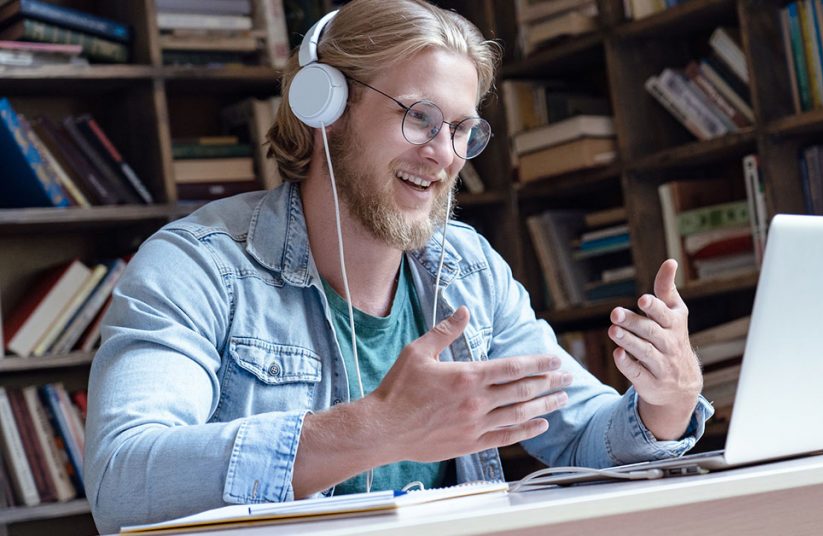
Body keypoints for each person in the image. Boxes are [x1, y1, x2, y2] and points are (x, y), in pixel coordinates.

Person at [84, 0, 712, 532]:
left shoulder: (468, 269)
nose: (444, 155)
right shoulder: (197, 267)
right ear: (324, 108)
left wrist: (666, 403)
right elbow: (124, 479)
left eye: (463, 130)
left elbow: (580, 437)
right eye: (420, 117)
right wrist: (375, 429)